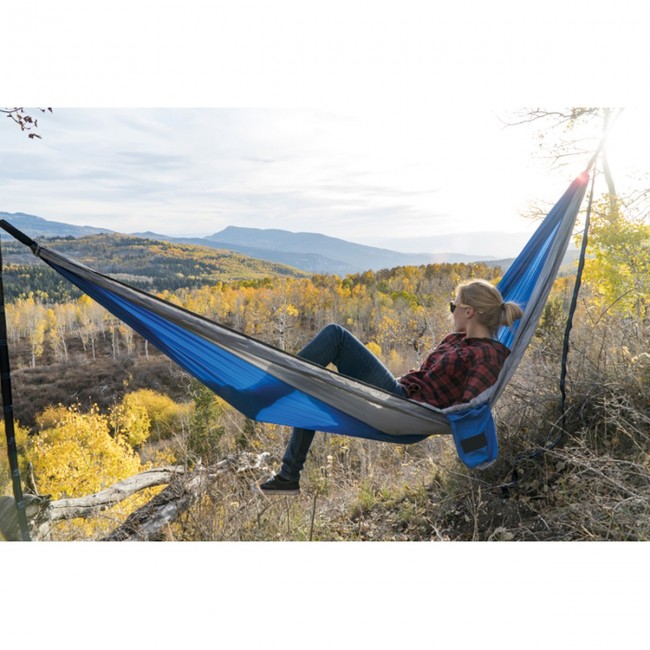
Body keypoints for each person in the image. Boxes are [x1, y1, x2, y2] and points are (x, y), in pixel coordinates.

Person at [257, 279, 523, 495]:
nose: (451, 311)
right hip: (400, 394)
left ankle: (268, 388)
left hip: (405, 408)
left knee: (335, 335)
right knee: (315, 385)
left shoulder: (487, 355)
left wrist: (465, 436)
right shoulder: (456, 338)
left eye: (454, 305)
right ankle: (288, 476)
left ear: (469, 312)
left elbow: (472, 406)